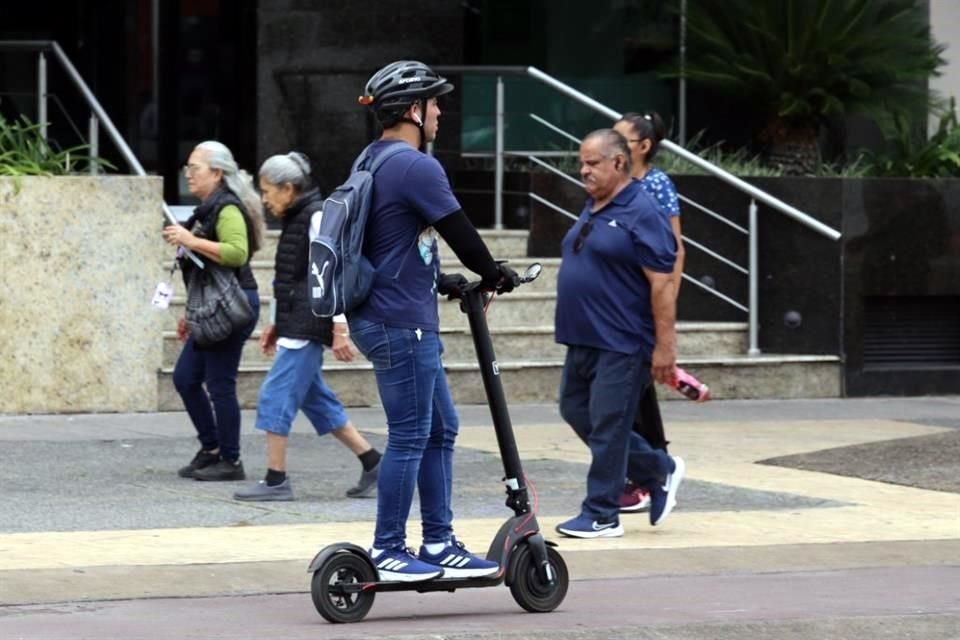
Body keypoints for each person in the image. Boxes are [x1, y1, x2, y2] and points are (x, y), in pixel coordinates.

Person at [349, 60, 518, 582]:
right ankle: (389, 549)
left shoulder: (373, 158)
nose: (441, 111)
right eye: (434, 102)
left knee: (441, 427)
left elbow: (396, 237)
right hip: (399, 321)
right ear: (413, 111)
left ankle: (440, 541)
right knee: (410, 433)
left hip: (390, 312)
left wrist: (443, 282)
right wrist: (493, 273)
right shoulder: (415, 165)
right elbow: (459, 231)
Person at [554, 129, 685, 539]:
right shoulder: (595, 205)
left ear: (618, 163)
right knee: (575, 410)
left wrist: (665, 347)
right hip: (583, 336)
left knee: (609, 424)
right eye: (581, 163)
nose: (584, 171)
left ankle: (601, 513)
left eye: (592, 163)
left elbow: (662, 282)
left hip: (623, 340)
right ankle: (657, 469)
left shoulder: (642, 209)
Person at [232, 152, 382, 502]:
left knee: (274, 397)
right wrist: (275, 324)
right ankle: (374, 463)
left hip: (308, 324)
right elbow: (290, 279)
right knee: (318, 402)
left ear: (288, 188)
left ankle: (276, 480)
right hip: (296, 321)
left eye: (268, 192)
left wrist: (340, 327)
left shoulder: (316, 217)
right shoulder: (298, 218)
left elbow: (332, 273)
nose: (265, 200)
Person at [163, 140, 263, 481]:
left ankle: (231, 460)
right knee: (186, 377)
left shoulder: (227, 209)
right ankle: (211, 447)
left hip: (231, 305)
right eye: (187, 169)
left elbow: (237, 253)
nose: (188, 175)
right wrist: (189, 314)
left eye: (196, 169)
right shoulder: (206, 208)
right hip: (211, 305)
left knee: (220, 383)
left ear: (217, 173)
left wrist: (190, 240)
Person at [613, 111, 686, 513]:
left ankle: (651, 471)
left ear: (643, 145)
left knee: (632, 387)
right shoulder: (615, 182)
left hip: (643, 301)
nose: (615, 142)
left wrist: (667, 297)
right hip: (618, 300)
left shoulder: (655, 185)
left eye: (623, 138)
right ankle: (651, 469)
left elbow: (674, 246)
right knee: (634, 390)